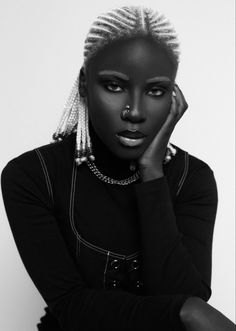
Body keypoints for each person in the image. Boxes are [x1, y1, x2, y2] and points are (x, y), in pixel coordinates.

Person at [1, 5, 235, 331]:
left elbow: (187, 300)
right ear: (84, 84)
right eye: (114, 85)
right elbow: (72, 305)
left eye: (155, 90)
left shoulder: (191, 180)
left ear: (173, 98)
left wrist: (152, 171)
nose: (134, 111)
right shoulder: (32, 176)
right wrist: (185, 311)